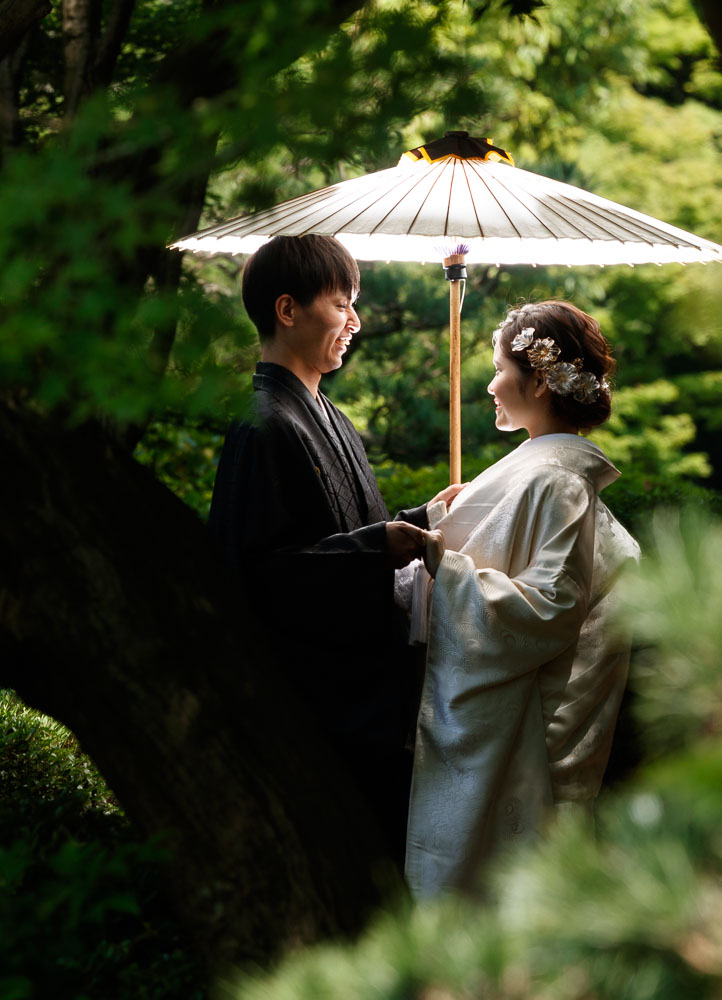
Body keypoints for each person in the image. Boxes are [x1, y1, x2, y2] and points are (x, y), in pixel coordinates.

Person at [208, 234, 460, 871]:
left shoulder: (333, 418)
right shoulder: (262, 422)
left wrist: (422, 518)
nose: (355, 320)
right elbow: (259, 574)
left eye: (356, 303)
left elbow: (351, 534)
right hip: (320, 704)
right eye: (342, 302)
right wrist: (379, 544)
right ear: (287, 310)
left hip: (371, 697)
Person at [405, 300, 640, 898]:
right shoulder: (541, 469)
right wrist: (446, 517)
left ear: (537, 380)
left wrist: (443, 563)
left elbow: (551, 607)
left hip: (529, 727)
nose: (489, 383)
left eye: (499, 368)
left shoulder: (556, 478)